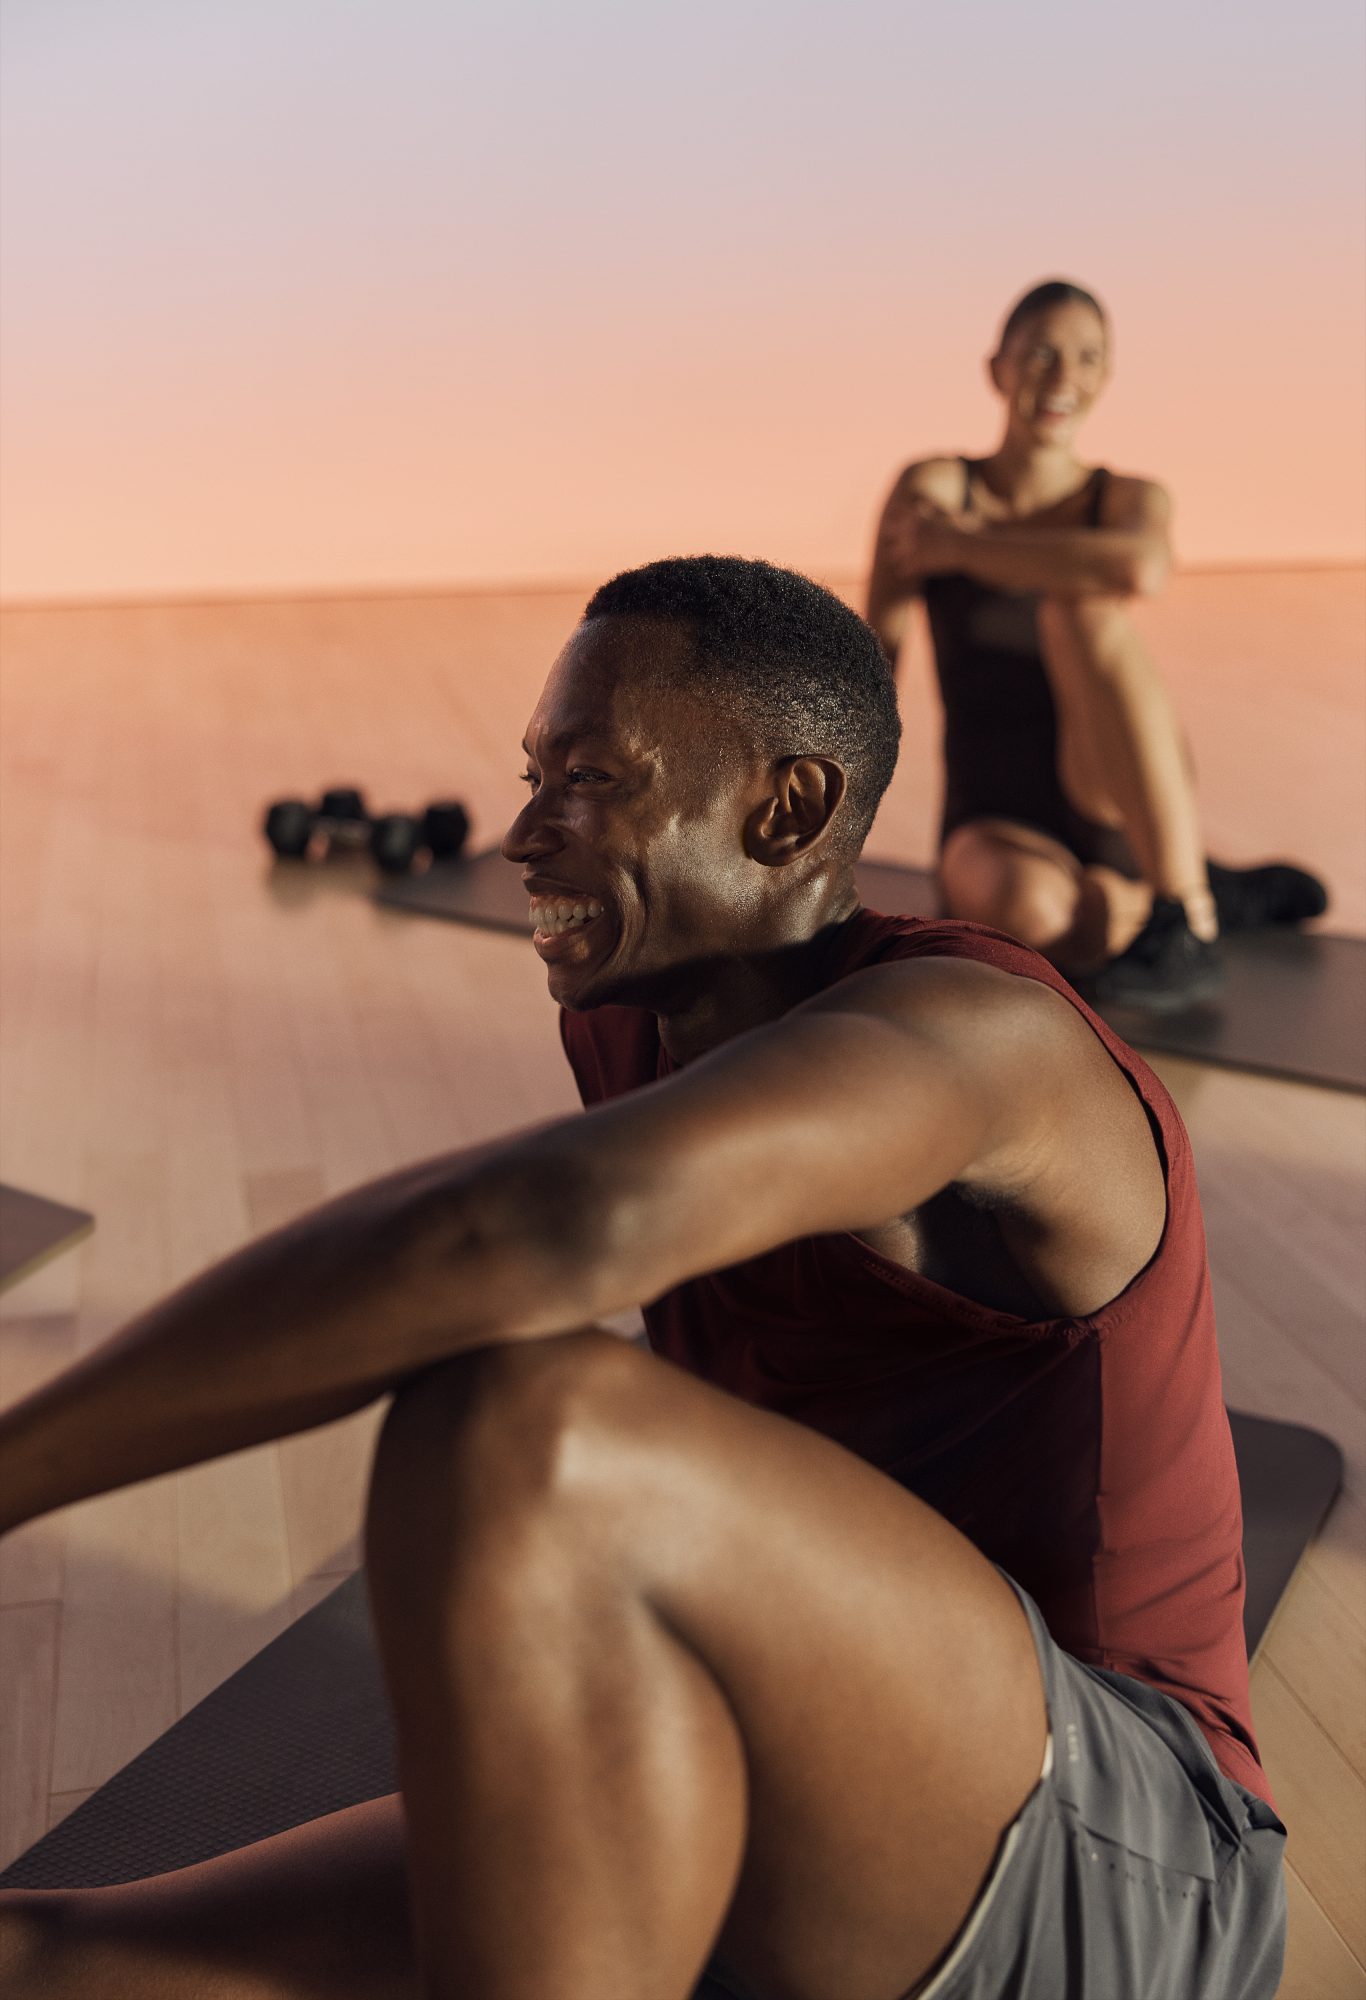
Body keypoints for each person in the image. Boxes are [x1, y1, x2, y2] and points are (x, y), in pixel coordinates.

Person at [0, 557, 1286, 2000]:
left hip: (1133, 1872)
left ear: (784, 809)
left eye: (588, 780)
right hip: (781, 1765)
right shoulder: (640, 1025)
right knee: (41, 1954)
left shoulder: (980, 1040)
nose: (521, 834)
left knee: (526, 1429)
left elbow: (525, 1232)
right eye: (533, 773)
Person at [865, 279, 1326, 1011]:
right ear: (998, 370)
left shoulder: (1125, 499)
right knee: (1034, 916)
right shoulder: (938, 486)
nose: (1063, 377)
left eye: (1087, 358)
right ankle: (1201, 888)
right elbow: (873, 666)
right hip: (993, 810)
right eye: (1041, 353)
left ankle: (1187, 917)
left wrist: (960, 546)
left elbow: (1139, 567)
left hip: (1109, 788)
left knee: (1080, 611)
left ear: (1106, 378)